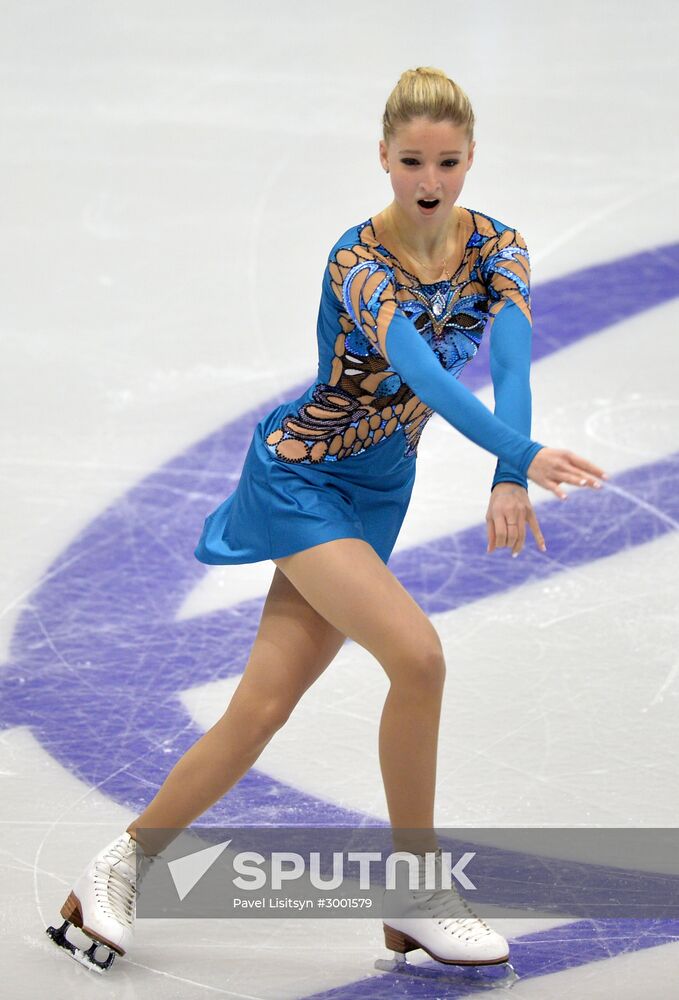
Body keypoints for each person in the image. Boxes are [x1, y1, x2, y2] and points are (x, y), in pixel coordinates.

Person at [47, 66, 606, 976]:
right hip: (302, 479)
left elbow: (509, 359)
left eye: (449, 162)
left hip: (376, 495)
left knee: (261, 707)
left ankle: (116, 868)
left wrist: (510, 472)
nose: (430, 180)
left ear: (470, 159)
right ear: (383, 157)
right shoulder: (356, 263)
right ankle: (417, 891)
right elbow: (425, 376)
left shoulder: (500, 247)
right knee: (418, 657)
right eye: (413, 160)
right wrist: (526, 455)